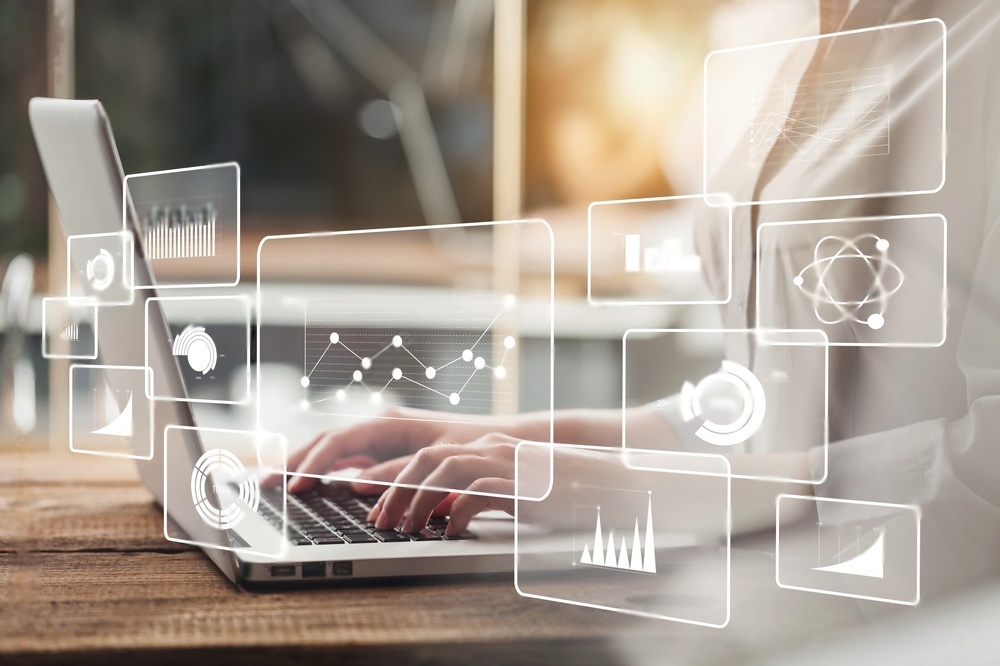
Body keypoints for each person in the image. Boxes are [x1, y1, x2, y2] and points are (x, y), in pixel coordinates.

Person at [275, 0, 1000, 599]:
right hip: (765, 592)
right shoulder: (788, 32)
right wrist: (518, 444)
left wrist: (622, 488)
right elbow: (774, 403)